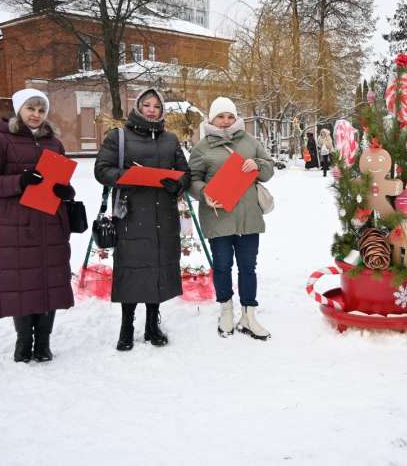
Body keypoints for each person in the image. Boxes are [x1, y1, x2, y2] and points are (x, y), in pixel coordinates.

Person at [0, 89, 74, 362]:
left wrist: (67, 191)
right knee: (22, 280)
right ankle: (23, 340)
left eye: (41, 110)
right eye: (31, 108)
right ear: (19, 109)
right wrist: (19, 181)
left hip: (51, 222)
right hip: (16, 224)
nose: (36, 115)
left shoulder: (53, 143)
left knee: (49, 280)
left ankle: (43, 341)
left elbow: (61, 179)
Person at [94, 88, 190, 351]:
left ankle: (152, 325)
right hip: (131, 213)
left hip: (163, 216)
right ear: (137, 108)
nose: (151, 110)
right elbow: (101, 169)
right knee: (132, 270)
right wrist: (126, 177)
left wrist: (177, 185)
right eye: (146, 105)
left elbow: (185, 173)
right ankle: (126, 327)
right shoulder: (119, 137)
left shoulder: (170, 140)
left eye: (156, 107)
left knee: (157, 269)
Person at [188, 96, 275, 340]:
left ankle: (249, 315)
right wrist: (204, 194)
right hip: (218, 216)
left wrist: (256, 164)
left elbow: (268, 170)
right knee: (222, 266)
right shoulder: (202, 147)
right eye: (220, 116)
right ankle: (226, 310)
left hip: (248, 217)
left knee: (248, 267)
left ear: (236, 118)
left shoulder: (250, 141)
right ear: (212, 118)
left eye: (230, 116)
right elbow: (192, 179)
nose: (225, 121)